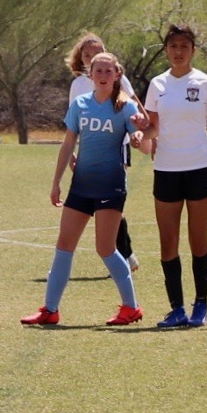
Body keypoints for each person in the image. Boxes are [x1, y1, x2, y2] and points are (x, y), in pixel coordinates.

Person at [22, 51, 146, 327]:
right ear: (90, 75)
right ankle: (50, 310)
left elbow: (138, 136)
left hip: (110, 186)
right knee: (64, 246)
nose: (103, 76)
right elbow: (68, 144)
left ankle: (131, 307)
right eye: (98, 71)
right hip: (81, 187)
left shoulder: (125, 106)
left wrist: (138, 134)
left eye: (108, 71)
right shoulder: (80, 104)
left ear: (117, 75)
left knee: (105, 248)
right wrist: (56, 183)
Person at [139, 25, 207, 329]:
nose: (178, 51)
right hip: (167, 170)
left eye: (184, 46)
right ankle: (176, 309)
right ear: (166, 49)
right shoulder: (157, 85)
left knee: (198, 240)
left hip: (200, 167)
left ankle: (201, 304)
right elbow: (152, 128)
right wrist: (140, 136)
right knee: (167, 242)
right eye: (173, 45)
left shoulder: (205, 83)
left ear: (193, 50)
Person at [66, 33, 139, 272]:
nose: (91, 59)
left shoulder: (118, 79)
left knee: (109, 200)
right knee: (101, 203)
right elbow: (74, 124)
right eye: (87, 55)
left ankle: (124, 255)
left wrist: (143, 131)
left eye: (96, 53)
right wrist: (73, 153)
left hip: (117, 145)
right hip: (89, 151)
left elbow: (133, 107)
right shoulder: (78, 85)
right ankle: (125, 254)